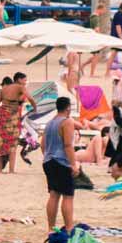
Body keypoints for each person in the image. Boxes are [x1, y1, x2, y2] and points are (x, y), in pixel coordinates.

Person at [41, 95, 79, 235]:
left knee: (53, 195)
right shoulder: (67, 122)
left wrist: (47, 156)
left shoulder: (50, 122)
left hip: (48, 161)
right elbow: (68, 145)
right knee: (68, 196)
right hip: (61, 161)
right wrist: (73, 164)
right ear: (68, 108)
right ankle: (69, 228)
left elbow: (43, 144)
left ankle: (51, 228)